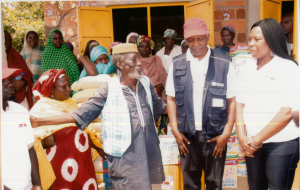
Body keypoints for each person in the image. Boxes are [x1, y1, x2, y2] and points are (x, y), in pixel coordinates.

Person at [30, 43, 167, 190]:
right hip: (126, 158)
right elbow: (79, 114)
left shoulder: (146, 83)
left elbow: (162, 108)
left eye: (138, 58)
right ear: (120, 63)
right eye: (134, 59)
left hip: (150, 152)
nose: (139, 63)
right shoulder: (109, 89)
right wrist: (39, 120)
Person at [166, 17, 237, 189]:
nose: (196, 44)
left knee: (214, 184)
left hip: (215, 137)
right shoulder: (177, 64)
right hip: (187, 138)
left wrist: (226, 133)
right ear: (185, 40)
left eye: (200, 39)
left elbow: (232, 100)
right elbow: (171, 99)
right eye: (191, 40)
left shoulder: (224, 63)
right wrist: (175, 130)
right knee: (190, 184)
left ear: (208, 36)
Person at [236, 18, 299, 190]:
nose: (251, 44)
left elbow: (286, 112)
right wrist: (243, 138)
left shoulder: (288, 68)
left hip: (281, 143)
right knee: (255, 187)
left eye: (257, 39)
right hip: (252, 144)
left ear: (271, 39)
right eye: (250, 39)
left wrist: (256, 140)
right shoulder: (246, 68)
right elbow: (239, 105)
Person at [30, 69, 105, 189]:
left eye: (69, 85)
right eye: (63, 87)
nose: (68, 89)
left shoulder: (72, 104)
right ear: (52, 89)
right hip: (56, 164)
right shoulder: (40, 108)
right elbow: (34, 139)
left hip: (80, 162)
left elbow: (88, 130)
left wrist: (99, 148)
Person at [2, 63, 41, 190]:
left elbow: (30, 148)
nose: (10, 84)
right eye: (3, 81)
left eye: (11, 79)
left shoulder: (21, 111)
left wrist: (37, 185)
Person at [4, 31, 34, 110]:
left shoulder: (17, 57)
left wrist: (23, 82)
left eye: (9, 40)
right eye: (5, 40)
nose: (7, 42)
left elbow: (29, 76)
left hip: (20, 100)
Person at [137, 35, 167, 100]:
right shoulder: (135, 60)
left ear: (150, 48)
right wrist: (153, 83)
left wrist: (158, 84)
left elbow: (162, 77)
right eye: (141, 46)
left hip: (155, 94)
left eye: (146, 47)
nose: (144, 49)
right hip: (139, 94)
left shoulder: (156, 59)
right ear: (138, 48)